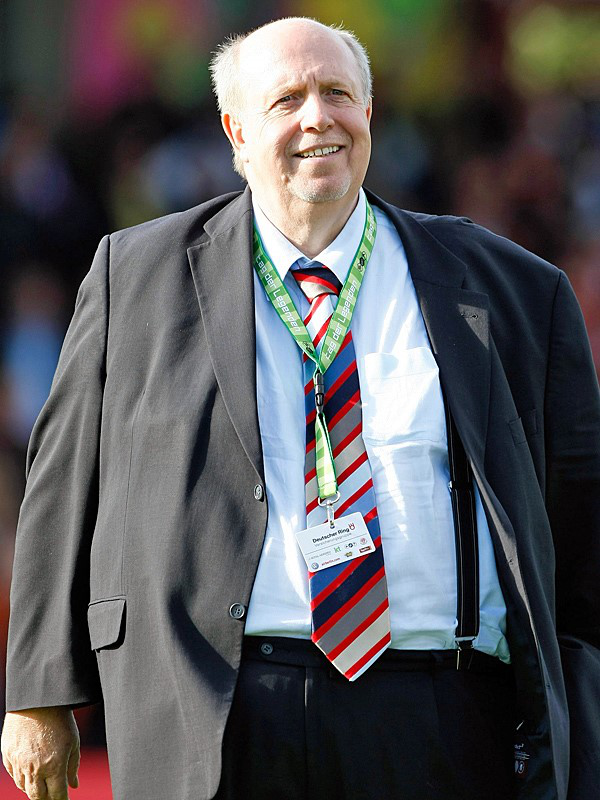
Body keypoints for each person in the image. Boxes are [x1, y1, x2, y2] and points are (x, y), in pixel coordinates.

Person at [2, 16, 600, 800]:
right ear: (236, 133)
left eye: (338, 93)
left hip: (444, 716)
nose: (319, 117)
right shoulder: (136, 274)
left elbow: (582, 539)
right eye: (287, 100)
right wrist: (38, 693)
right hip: (218, 709)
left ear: (369, 114)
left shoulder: (514, 289)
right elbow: (62, 483)